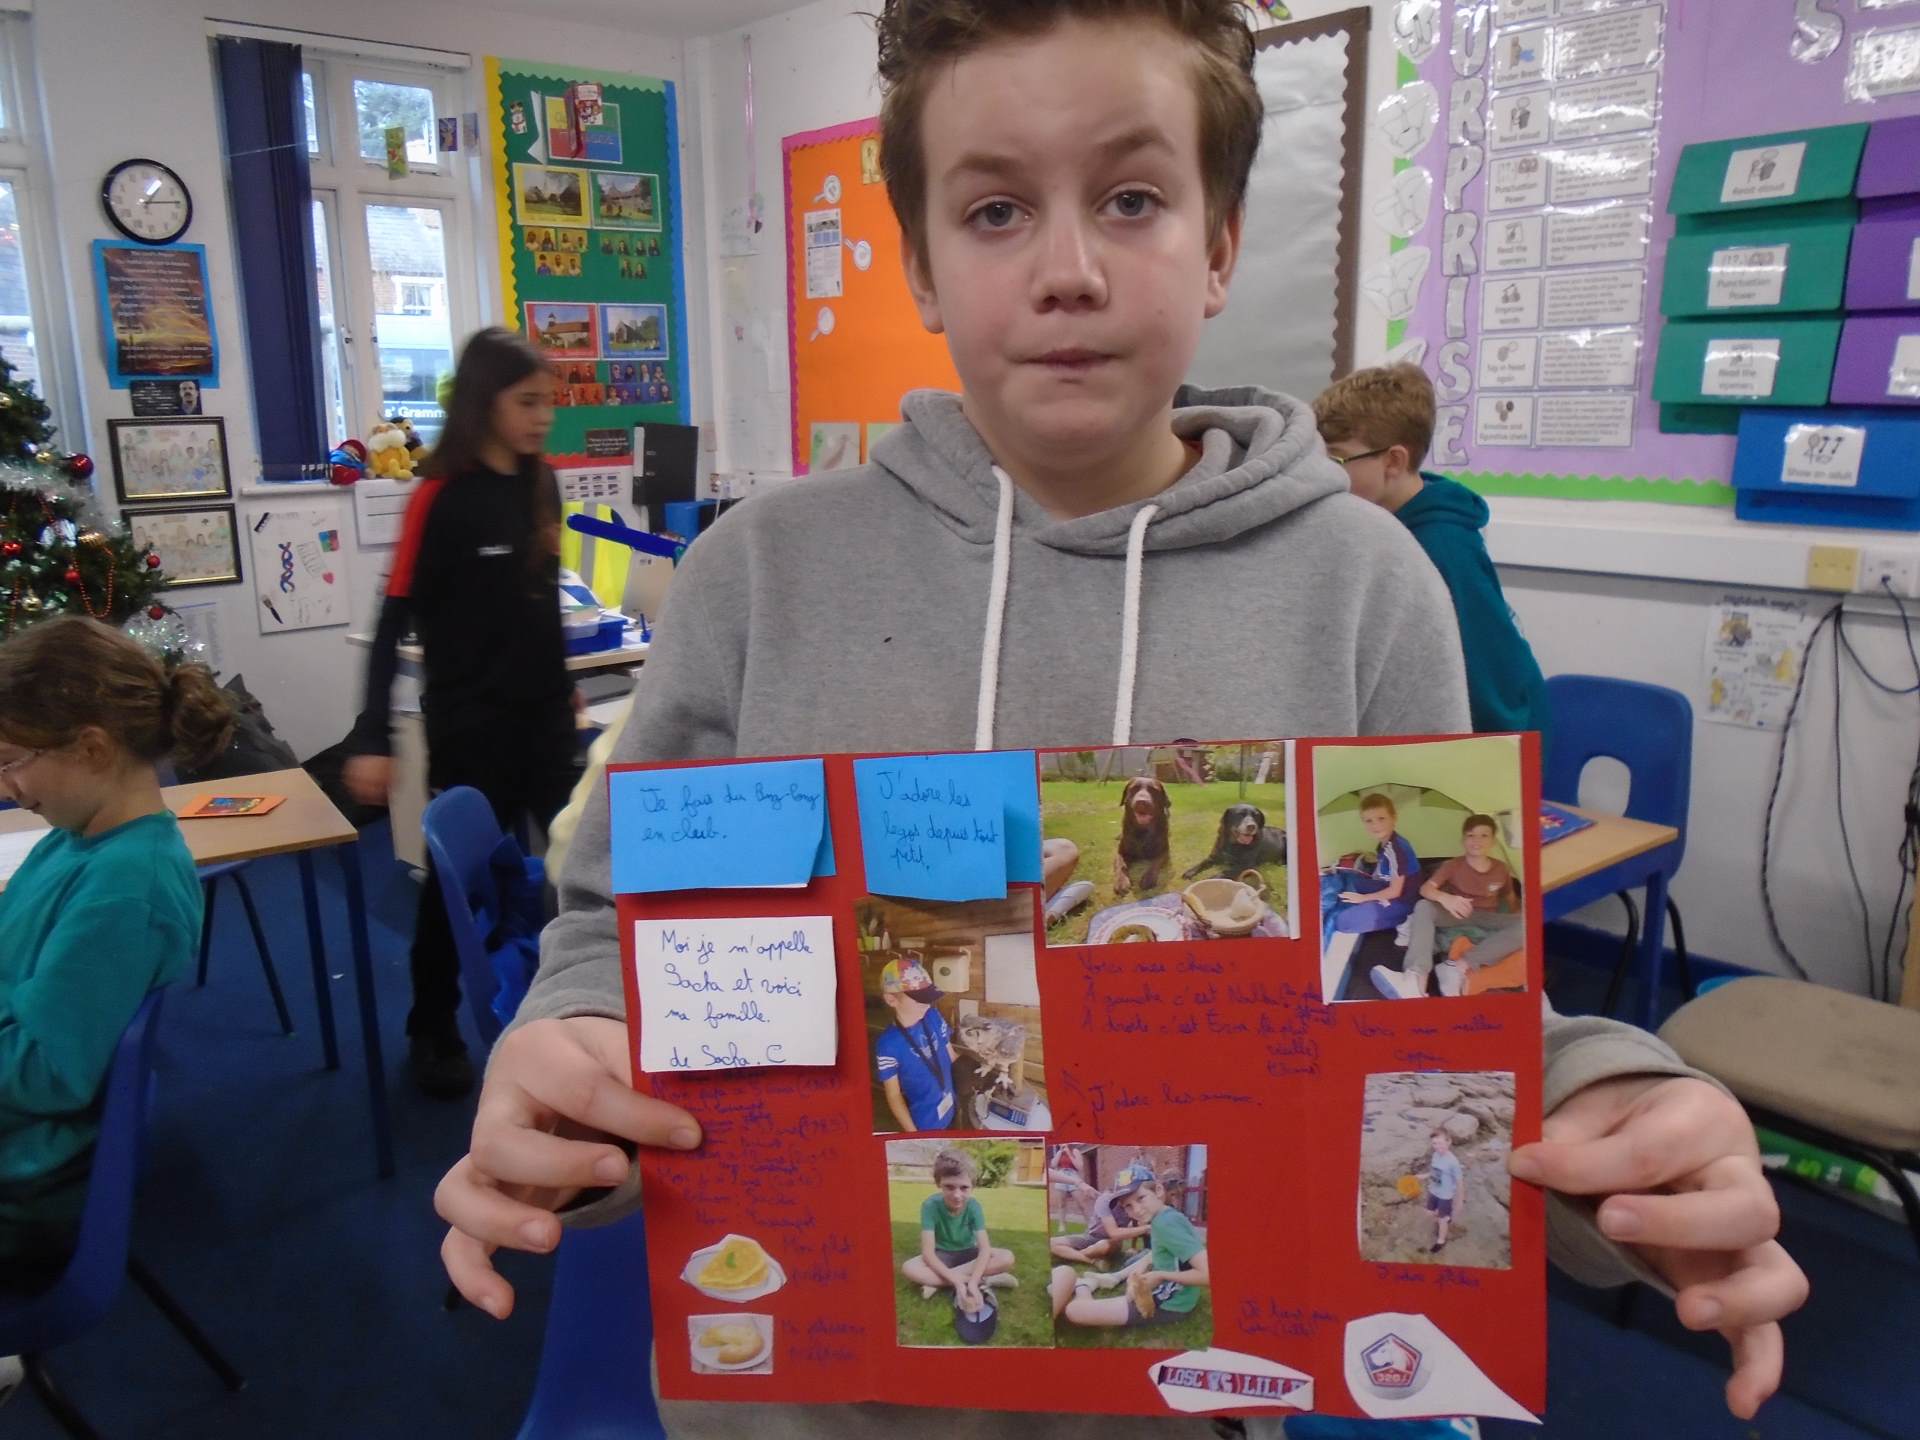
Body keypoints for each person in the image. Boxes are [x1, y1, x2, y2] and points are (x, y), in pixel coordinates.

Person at [436, 2, 1806, 1429]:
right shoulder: (756, 578)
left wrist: (1603, 1106)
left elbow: (1441, 991)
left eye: (1134, 199)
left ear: (1220, 245)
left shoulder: (1363, 586)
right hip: (803, 1396)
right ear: (921, 262)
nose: (1069, 271)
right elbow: (619, 936)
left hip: (1191, 1393)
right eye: (996, 210)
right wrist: (573, 1052)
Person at [344, 327, 581, 1100]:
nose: (544, 417)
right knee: (458, 887)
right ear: (486, 403)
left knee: (581, 865)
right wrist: (373, 735)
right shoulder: (438, 498)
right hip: (471, 729)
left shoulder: (543, 484)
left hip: (546, 721)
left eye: (548, 402)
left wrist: (564, 685)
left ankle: (583, 1005)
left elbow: (540, 602)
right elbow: (392, 623)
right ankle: (432, 1026)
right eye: (528, 402)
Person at [0, 617, 234, 1292]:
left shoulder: (124, 891)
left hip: (25, 1183)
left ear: (92, 748)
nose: (6, 787)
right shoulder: (74, 836)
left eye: (11, 761)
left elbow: (50, 1073)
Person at [1313, 363, 1550, 738]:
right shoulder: (1384, 529)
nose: (1324, 474)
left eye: (1336, 460)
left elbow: (1485, 678)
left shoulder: (1441, 547)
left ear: (1394, 461)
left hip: (1494, 745)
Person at [1375, 812, 1523, 1000]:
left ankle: (1458, 966)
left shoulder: (1501, 868)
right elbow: (1426, 889)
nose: (1476, 840)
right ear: (1463, 840)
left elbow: (1509, 896)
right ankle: (1415, 981)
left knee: (1529, 925)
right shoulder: (1453, 865)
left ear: (1493, 841)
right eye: (1471, 835)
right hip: (1456, 913)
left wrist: (1515, 917)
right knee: (1423, 907)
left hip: (1488, 916)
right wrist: (1445, 898)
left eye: (1484, 835)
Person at [1048, 1166, 1205, 1331]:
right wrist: (1141, 1272)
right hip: (1178, 1294)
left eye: (1141, 1198)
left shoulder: (1166, 1223)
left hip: (1171, 1302)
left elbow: (1207, 1275)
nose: (1136, 1210)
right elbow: (1161, 1254)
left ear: (1158, 1190)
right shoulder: (1164, 1217)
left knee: (1074, 1312)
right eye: (1128, 1206)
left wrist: (1160, 1275)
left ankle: (1083, 1285)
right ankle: (1097, 1280)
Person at [902, 1148, 1017, 1309]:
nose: (957, 1195)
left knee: (1006, 1257)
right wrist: (959, 1282)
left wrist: (972, 1282)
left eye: (964, 1188)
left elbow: (984, 1249)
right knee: (909, 1268)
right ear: (939, 1184)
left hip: (969, 1253)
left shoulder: (974, 1207)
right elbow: (928, 1253)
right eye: (949, 1187)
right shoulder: (930, 1206)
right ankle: (987, 1280)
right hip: (942, 1255)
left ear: (972, 1186)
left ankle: (936, 1282)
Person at [871, 958, 958, 1133]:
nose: (927, 1004)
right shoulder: (888, 1045)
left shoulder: (933, 1016)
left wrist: (971, 1070)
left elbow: (951, 1054)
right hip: (925, 1125)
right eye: (919, 999)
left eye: (928, 998)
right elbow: (894, 1095)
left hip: (952, 1108)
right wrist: (913, 1134)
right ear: (891, 999)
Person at [1322, 792, 1419, 944]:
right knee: (1350, 880)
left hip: (1403, 901)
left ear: (1394, 818)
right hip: (1386, 886)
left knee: (1343, 922)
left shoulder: (1397, 849)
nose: (1375, 825)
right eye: (1369, 821)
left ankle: (1406, 921)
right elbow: (1382, 875)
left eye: (1381, 818)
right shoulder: (1384, 844)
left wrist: (1363, 898)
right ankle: (1356, 902)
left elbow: (1395, 891)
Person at [1426, 1131, 1464, 1254]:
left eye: (1440, 1143)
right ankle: (1446, 1217)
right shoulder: (1435, 1155)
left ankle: (1441, 1241)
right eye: (1434, 1143)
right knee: (1430, 1213)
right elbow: (1435, 1172)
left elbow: (1460, 1183)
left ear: (1449, 1142)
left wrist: (1460, 1201)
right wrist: (1422, 1176)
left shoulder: (1453, 1162)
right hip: (1433, 1190)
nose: (1437, 1146)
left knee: (1442, 1219)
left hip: (1445, 1196)